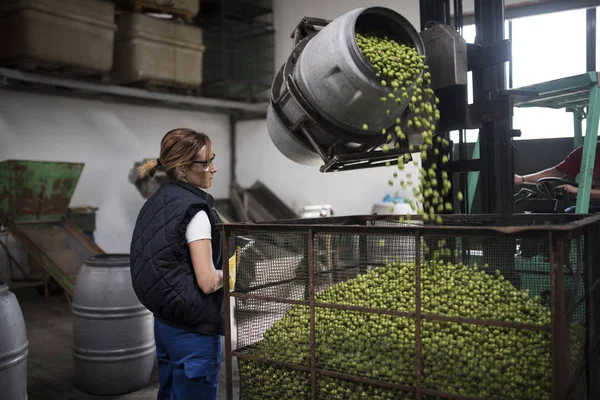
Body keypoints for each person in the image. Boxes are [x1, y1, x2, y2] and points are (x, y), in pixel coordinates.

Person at [129, 128, 223, 400]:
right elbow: (207, 282)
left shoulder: (156, 201)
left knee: (169, 393)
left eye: (211, 159)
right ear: (182, 169)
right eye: (205, 163)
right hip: (194, 331)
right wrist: (233, 272)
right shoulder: (196, 213)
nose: (213, 168)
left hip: (165, 324)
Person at [514, 141, 600, 212]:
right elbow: (556, 172)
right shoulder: (587, 152)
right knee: (561, 215)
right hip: (592, 203)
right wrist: (522, 179)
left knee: (572, 215)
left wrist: (577, 190)